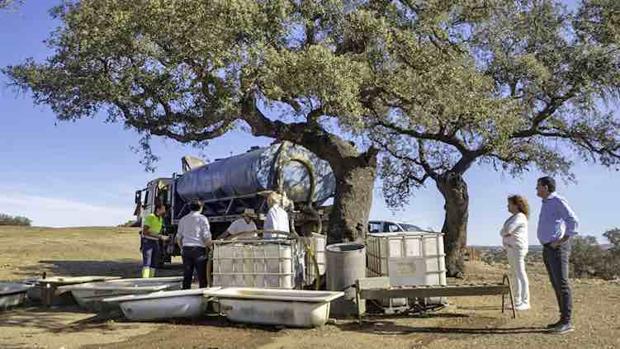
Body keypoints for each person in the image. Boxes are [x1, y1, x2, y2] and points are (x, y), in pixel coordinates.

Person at [536, 176, 579, 334]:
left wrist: (562, 240)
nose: (536, 189)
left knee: (562, 283)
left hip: (558, 248)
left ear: (546, 187)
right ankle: (562, 320)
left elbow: (573, 220)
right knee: (555, 284)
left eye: (538, 186)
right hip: (548, 248)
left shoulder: (557, 201)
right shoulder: (546, 203)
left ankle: (567, 322)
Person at [500, 195, 530, 311]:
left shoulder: (520, 217)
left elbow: (507, 230)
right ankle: (517, 300)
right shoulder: (513, 217)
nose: (507, 206)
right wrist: (504, 233)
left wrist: (505, 232)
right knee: (514, 274)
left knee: (520, 273)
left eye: (509, 204)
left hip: (517, 248)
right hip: (511, 248)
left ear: (516, 205)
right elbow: (503, 232)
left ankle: (525, 301)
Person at [176, 200, 212, 289]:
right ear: (201, 208)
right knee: (202, 276)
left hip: (186, 249)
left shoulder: (183, 219)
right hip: (199, 250)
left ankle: (185, 294)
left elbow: (178, 237)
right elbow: (206, 236)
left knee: (187, 275)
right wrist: (210, 247)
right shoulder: (203, 219)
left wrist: (181, 248)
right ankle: (202, 296)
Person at [141, 203, 169, 278]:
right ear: (158, 209)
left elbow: (158, 231)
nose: (165, 211)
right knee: (147, 262)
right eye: (163, 209)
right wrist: (160, 236)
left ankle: (151, 279)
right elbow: (145, 231)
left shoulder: (160, 219)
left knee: (154, 262)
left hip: (155, 242)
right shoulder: (151, 217)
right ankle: (145, 280)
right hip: (148, 242)